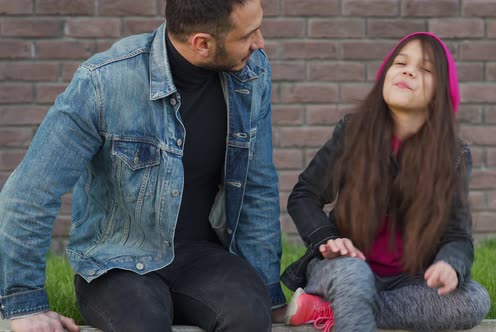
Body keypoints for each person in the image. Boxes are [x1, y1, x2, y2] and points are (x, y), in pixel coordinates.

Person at [0, 0, 287, 331]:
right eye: (249, 35)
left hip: (202, 256)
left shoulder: (251, 74)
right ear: (202, 43)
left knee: (250, 316)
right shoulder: (104, 82)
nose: (260, 43)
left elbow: (257, 185)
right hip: (116, 262)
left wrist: (270, 295)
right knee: (144, 325)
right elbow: (31, 191)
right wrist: (24, 304)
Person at [280, 32, 491, 332]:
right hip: (343, 268)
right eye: (400, 62)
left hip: (409, 280)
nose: (408, 70)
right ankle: (348, 302)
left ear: (440, 94)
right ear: (385, 76)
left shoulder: (453, 156)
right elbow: (304, 195)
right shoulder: (353, 132)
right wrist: (326, 238)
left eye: (426, 69)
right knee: (354, 278)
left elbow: (457, 235)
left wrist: (450, 265)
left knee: (474, 299)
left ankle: (330, 309)